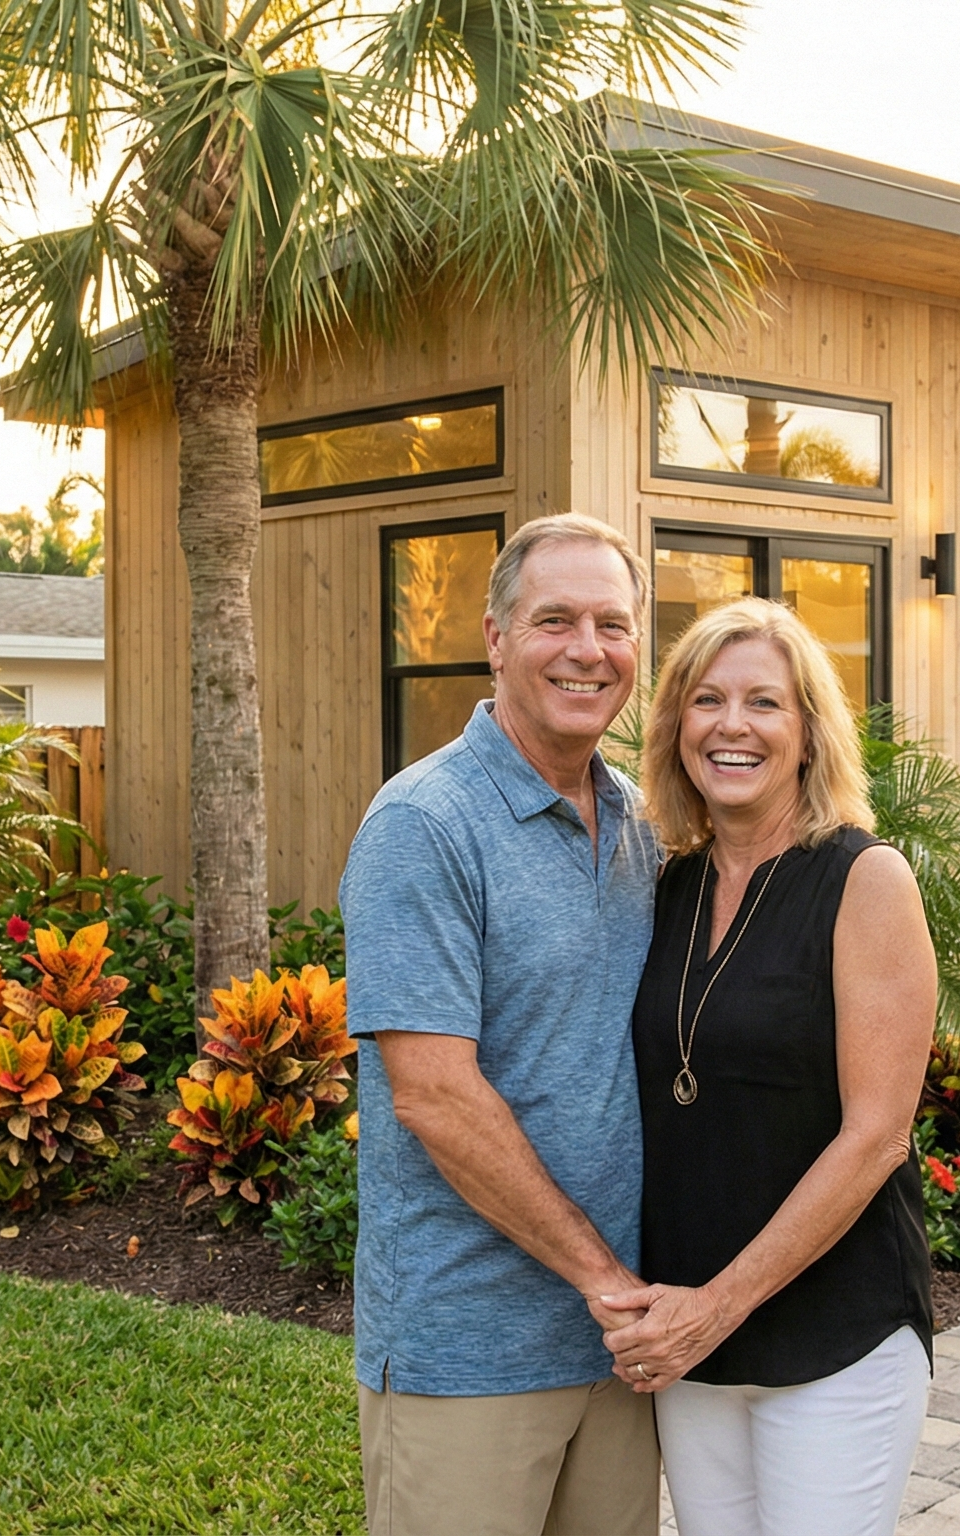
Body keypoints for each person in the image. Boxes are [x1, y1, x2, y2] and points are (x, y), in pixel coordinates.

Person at [340, 512, 663, 1536]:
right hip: (466, 1350)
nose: (586, 649)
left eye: (612, 624)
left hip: (616, 1347)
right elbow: (435, 1097)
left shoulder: (639, 824)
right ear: (494, 638)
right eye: (553, 619)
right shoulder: (424, 824)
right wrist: (602, 1278)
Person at [599, 597, 938, 1536]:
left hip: (836, 1331)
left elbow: (877, 1137)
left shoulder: (865, 881)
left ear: (807, 734)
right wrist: (689, 1315)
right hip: (688, 1335)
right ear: (676, 730)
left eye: (764, 703)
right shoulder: (666, 885)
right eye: (706, 700)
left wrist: (720, 1305)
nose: (732, 726)